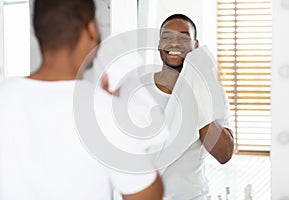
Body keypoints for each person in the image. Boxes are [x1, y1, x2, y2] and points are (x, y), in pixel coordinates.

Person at [0, 0, 163, 200]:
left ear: (37, 32)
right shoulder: (104, 110)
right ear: (91, 29)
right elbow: (146, 195)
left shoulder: (4, 97)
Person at [101, 14, 234, 200]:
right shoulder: (138, 89)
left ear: (195, 45)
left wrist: (195, 100)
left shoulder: (209, 92)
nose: (174, 43)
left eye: (183, 37)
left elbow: (224, 154)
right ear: (159, 45)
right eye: (167, 37)